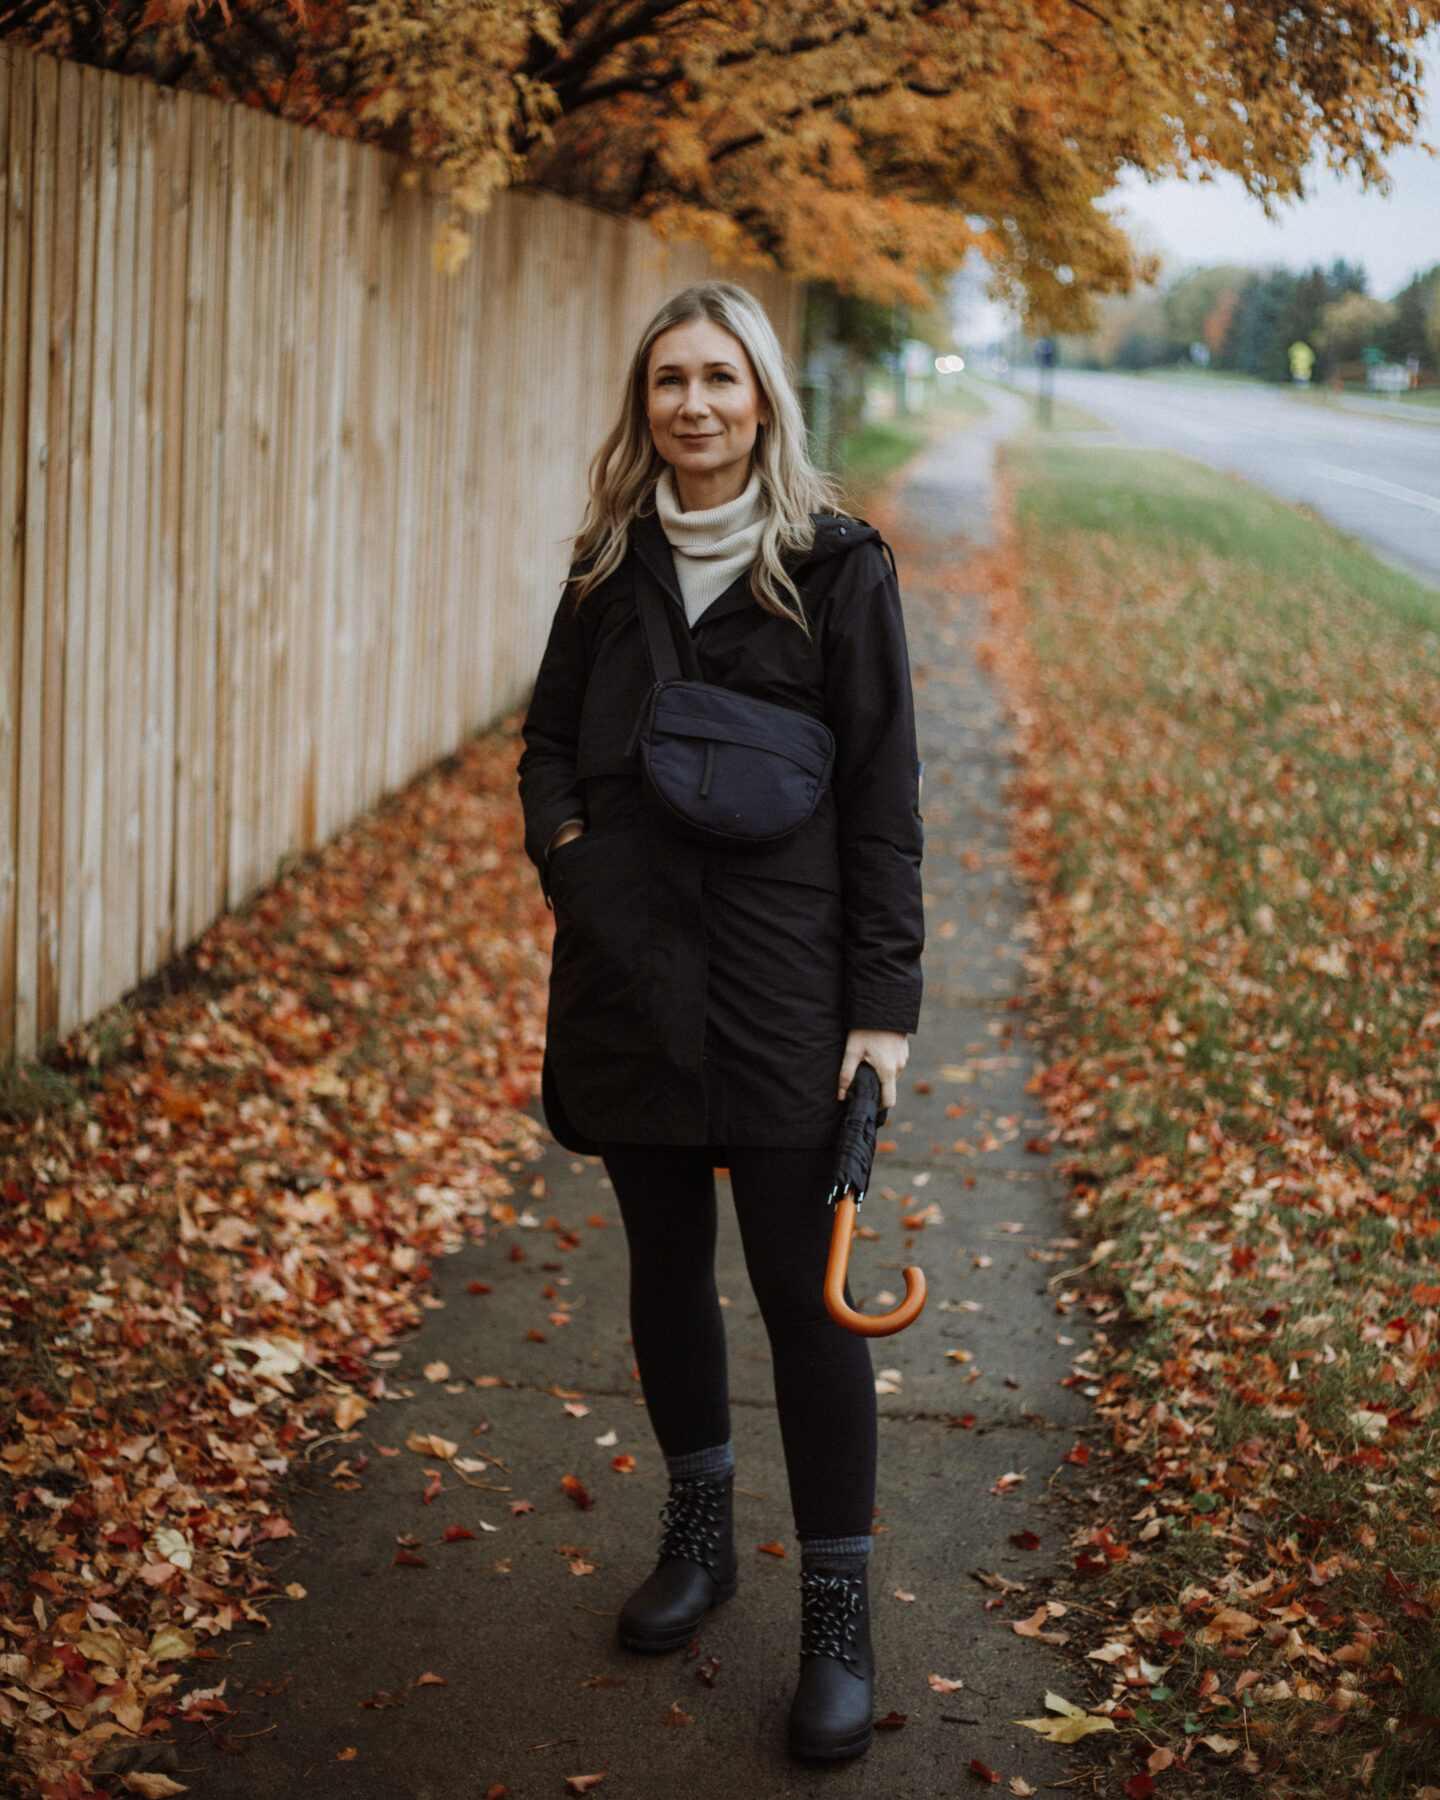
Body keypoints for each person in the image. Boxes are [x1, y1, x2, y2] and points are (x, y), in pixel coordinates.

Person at [518, 281, 923, 1762]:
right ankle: (697, 1539)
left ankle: (836, 1620)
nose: (694, 404)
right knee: (665, 1274)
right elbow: (548, 742)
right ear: (648, 406)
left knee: (803, 1304)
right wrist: (571, 858)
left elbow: (885, 801)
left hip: (780, 991)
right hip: (627, 978)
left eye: (719, 379)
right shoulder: (607, 563)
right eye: (669, 382)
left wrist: (881, 1012)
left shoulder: (839, 565)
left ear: (764, 396)